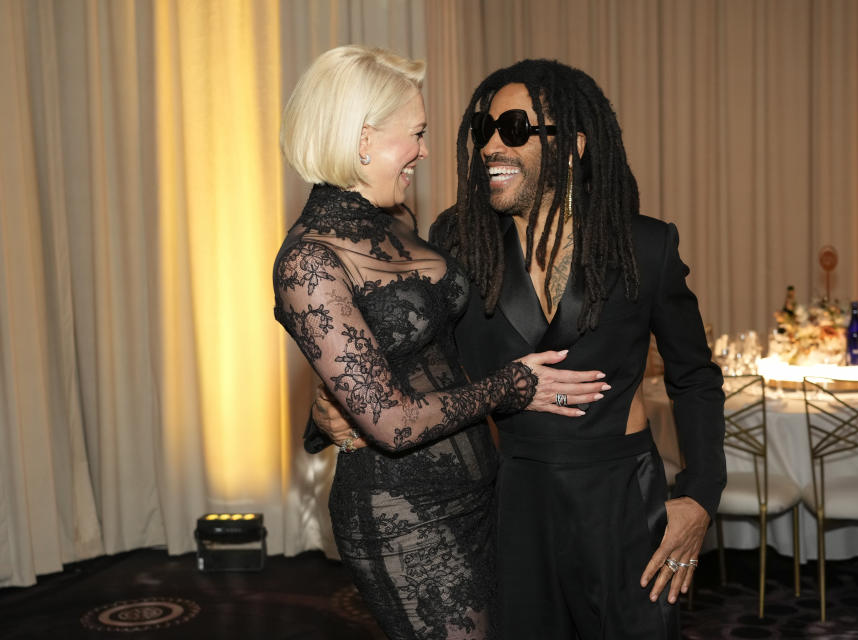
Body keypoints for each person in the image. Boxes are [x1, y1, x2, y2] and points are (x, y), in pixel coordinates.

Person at [321, 58, 726, 639]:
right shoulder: (458, 240)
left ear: (571, 147)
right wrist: (332, 405)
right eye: (484, 130)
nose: (490, 145)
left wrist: (699, 496)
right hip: (509, 499)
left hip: (620, 500)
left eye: (513, 129)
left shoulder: (644, 245)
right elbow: (411, 356)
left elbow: (695, 378)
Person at [273, 46, 608, 640]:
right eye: (418, 133)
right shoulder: (309, 260)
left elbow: (418, 353)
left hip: (482, 489)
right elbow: (391, 422)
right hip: (405, 515)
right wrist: (513, 385)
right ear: (364, 138)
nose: (427, 151)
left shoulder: (396, 219)